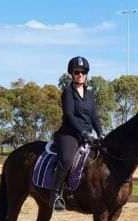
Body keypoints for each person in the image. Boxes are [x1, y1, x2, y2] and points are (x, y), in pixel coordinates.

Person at [50, 56, 105, 210]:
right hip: (69, 134)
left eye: (83, 72)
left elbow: (94, 116)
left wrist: (100, 132)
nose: (80, 74)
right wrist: (83, 132)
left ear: (86, 74)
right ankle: (56, 195)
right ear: (72, 74)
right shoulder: (67, 92)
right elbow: (69, 115)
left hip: (87, 134)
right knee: (67, 160)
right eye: (76, 72)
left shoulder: (90, 94)